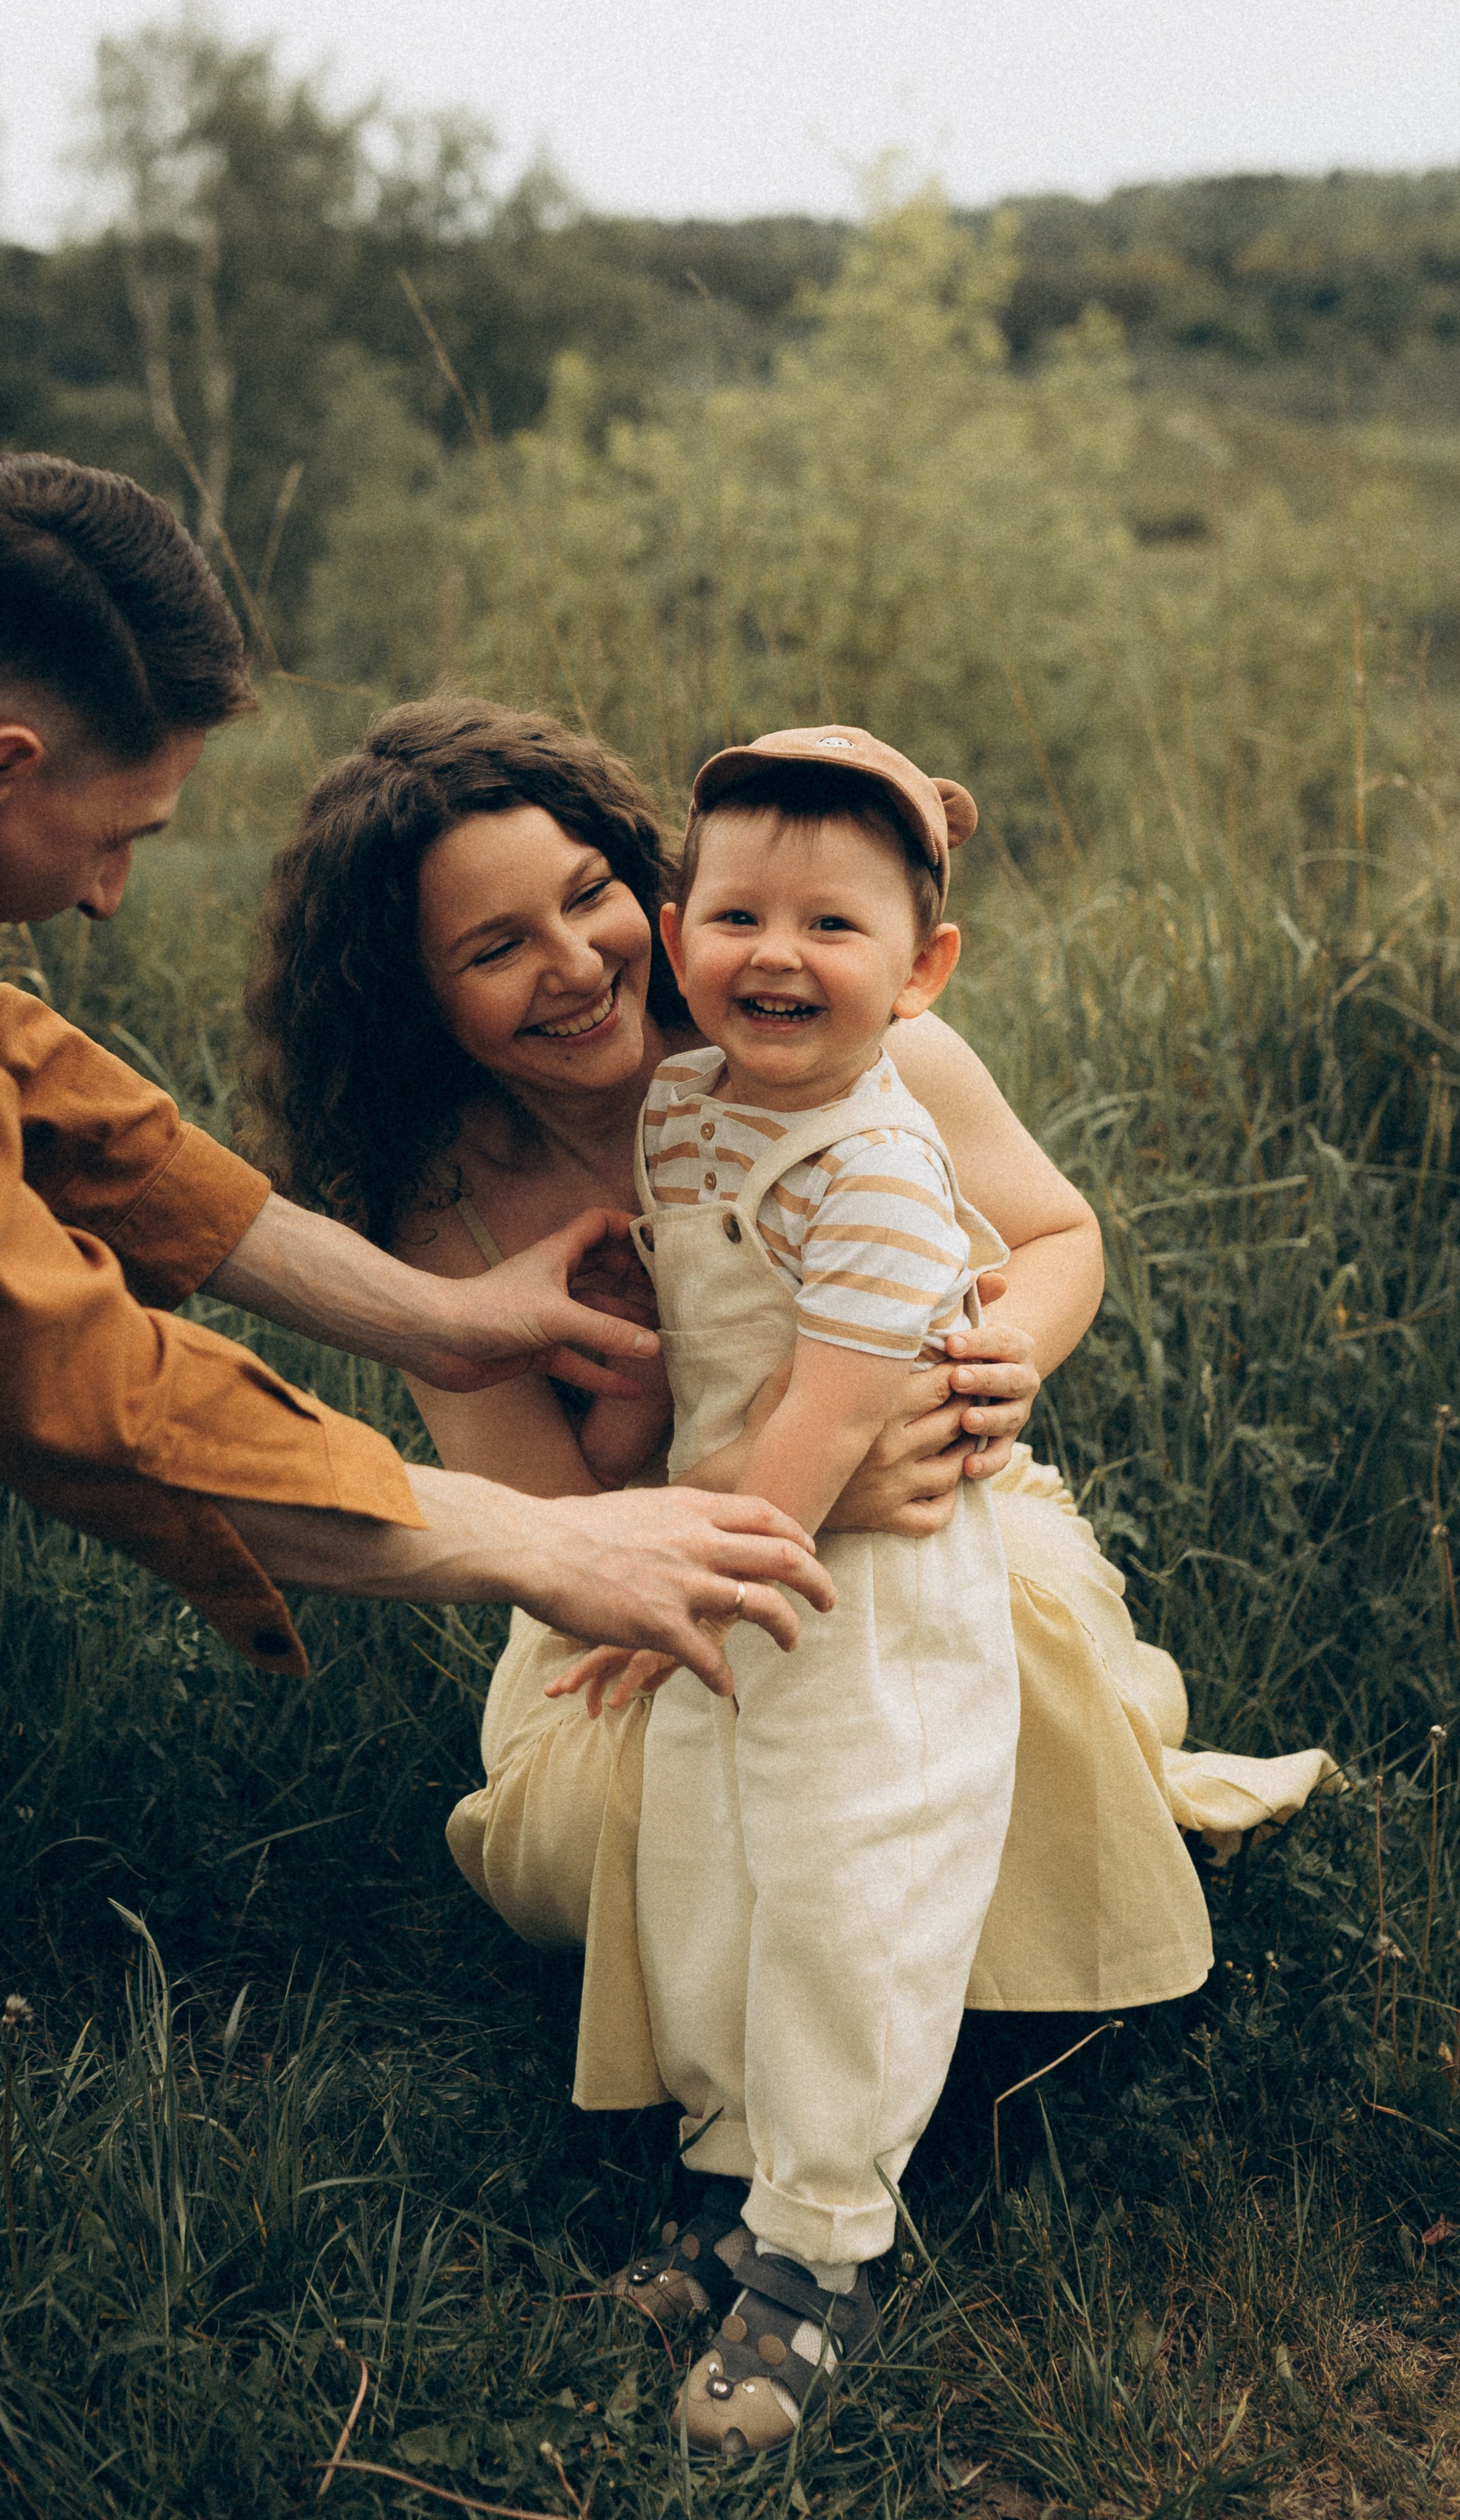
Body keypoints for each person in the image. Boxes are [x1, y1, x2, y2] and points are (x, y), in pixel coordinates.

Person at [244, 695, 1334, 2081]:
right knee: (648, 1804)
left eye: (591, 896)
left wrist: (1010, 1349)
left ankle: (993, 2028)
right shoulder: (435, 1213)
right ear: (414, 993)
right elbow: (552, 1529)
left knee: (980, 1671)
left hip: (926, 1502)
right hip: (639, 1579)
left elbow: (1058, 1236)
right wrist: (787, 1486)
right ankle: (770, 2059)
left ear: (656, 889)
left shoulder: (837, 1050)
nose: (575, 964)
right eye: (494, 945)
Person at [0, 457, 834, 1681]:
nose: (106, 900)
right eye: (119, 837)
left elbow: (7, 1066)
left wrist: (436, 1323)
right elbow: (50, 1361)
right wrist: (531, 1542)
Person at [539, 724, 1021, 2453]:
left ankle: (820, 2246)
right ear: (679, 940)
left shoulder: (884, 1173)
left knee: (840, 1898)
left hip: (853, 1598)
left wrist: (651, 1590)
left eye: (836, 926)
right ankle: (732, 2174)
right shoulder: (679, 1110)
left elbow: (815, 1443)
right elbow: (694, 1355)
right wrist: (628, 1388)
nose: (781, 957)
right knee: (707, 1880)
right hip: (720, 1554)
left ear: (923, 970)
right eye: (741, 915)